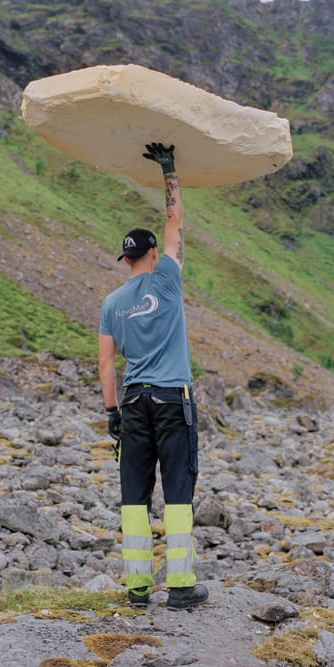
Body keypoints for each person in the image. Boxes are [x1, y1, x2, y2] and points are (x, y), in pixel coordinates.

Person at [98, 142, 208, 611]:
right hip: (171, 399)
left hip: (133, 404)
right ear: (153, 254)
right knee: (178, 493)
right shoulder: (167, 279)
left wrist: (111, 413)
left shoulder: (110, 303)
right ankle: (180, 586)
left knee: (134, 498)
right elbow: (176, 222)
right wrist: (169, 171)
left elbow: (106, 365)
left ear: (125, 260)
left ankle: (138, 589)